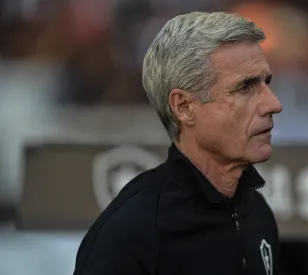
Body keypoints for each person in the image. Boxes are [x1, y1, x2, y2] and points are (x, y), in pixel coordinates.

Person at [73, 11, 283, 275]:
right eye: (245, 88)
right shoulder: (131, 232)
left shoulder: (257, 212)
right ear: (183, 107)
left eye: (266, 83)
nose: (274, 104)